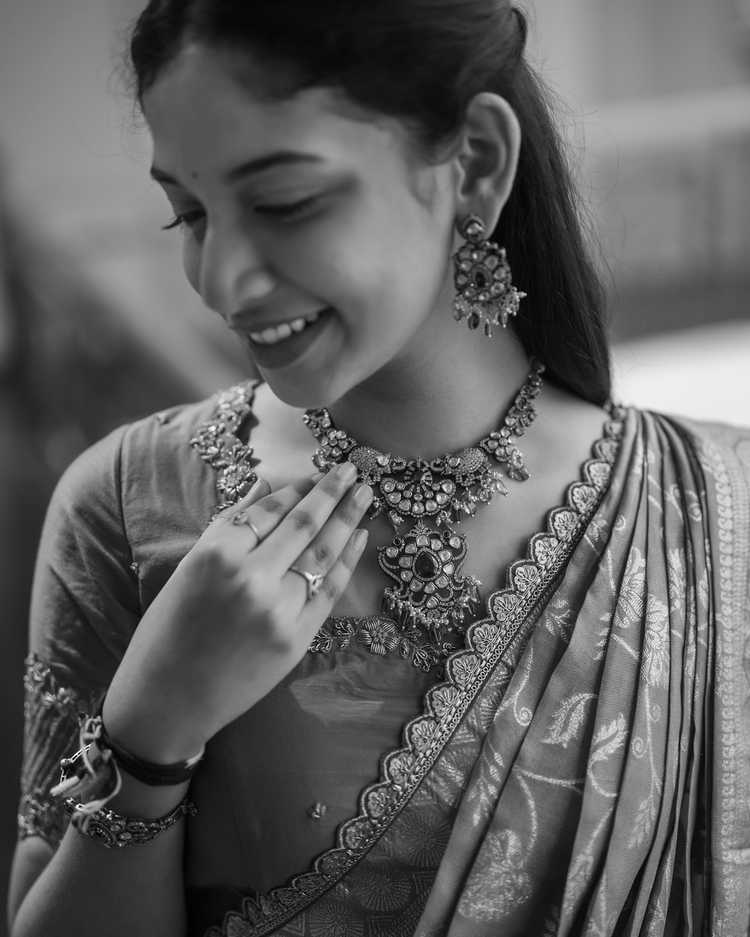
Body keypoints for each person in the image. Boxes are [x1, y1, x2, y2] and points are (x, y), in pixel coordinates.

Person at [7, 2, 750, 935]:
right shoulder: (128, 506)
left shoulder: (717, 513)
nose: (222, 281)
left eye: (284, 203)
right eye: (188, 215)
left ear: (475, 162)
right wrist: (151, 732)